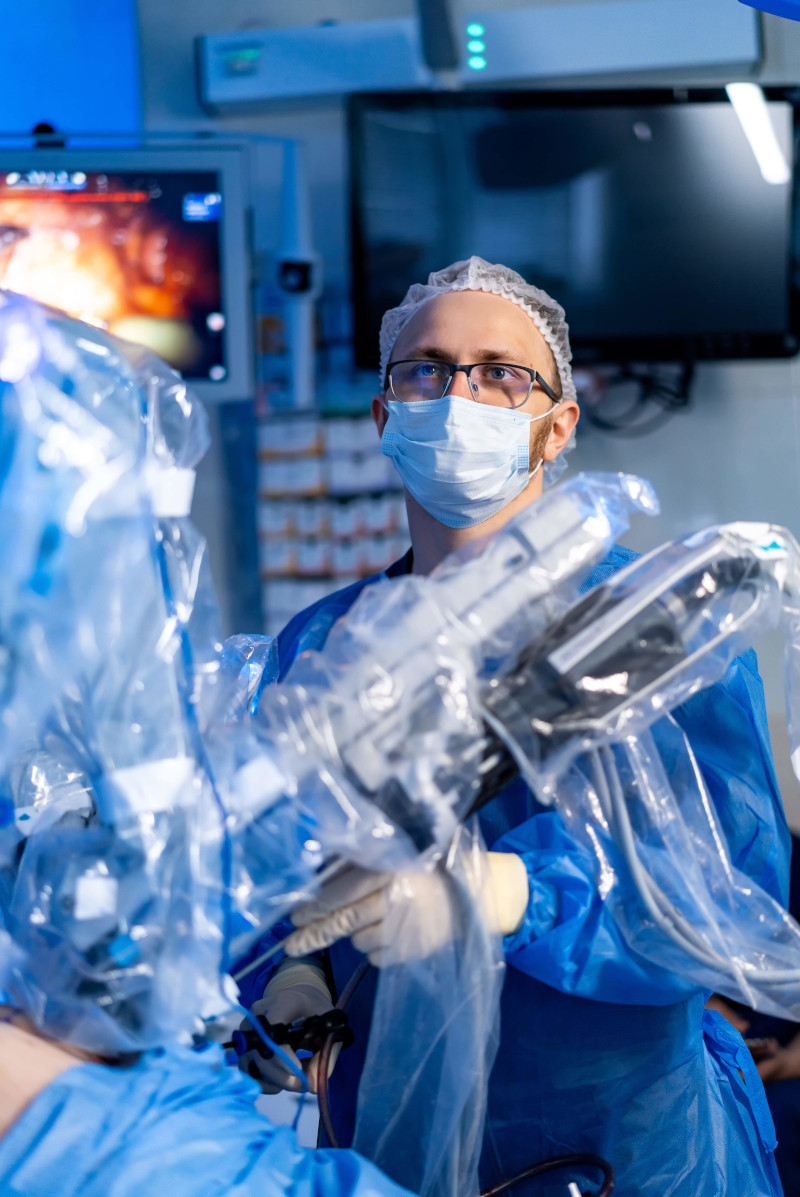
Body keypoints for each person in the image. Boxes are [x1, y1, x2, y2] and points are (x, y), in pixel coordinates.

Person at [240, 257, 790, 1196]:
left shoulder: (654, 628)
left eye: (502, 373)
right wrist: (288, 981)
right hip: (390, 1140)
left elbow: (729, 905)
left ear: (557, 423)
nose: (460, 394)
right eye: (427, 369)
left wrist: (507, 895)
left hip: (629, 1143)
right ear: (385, 416)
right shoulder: (322, 644)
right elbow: (270, 858)